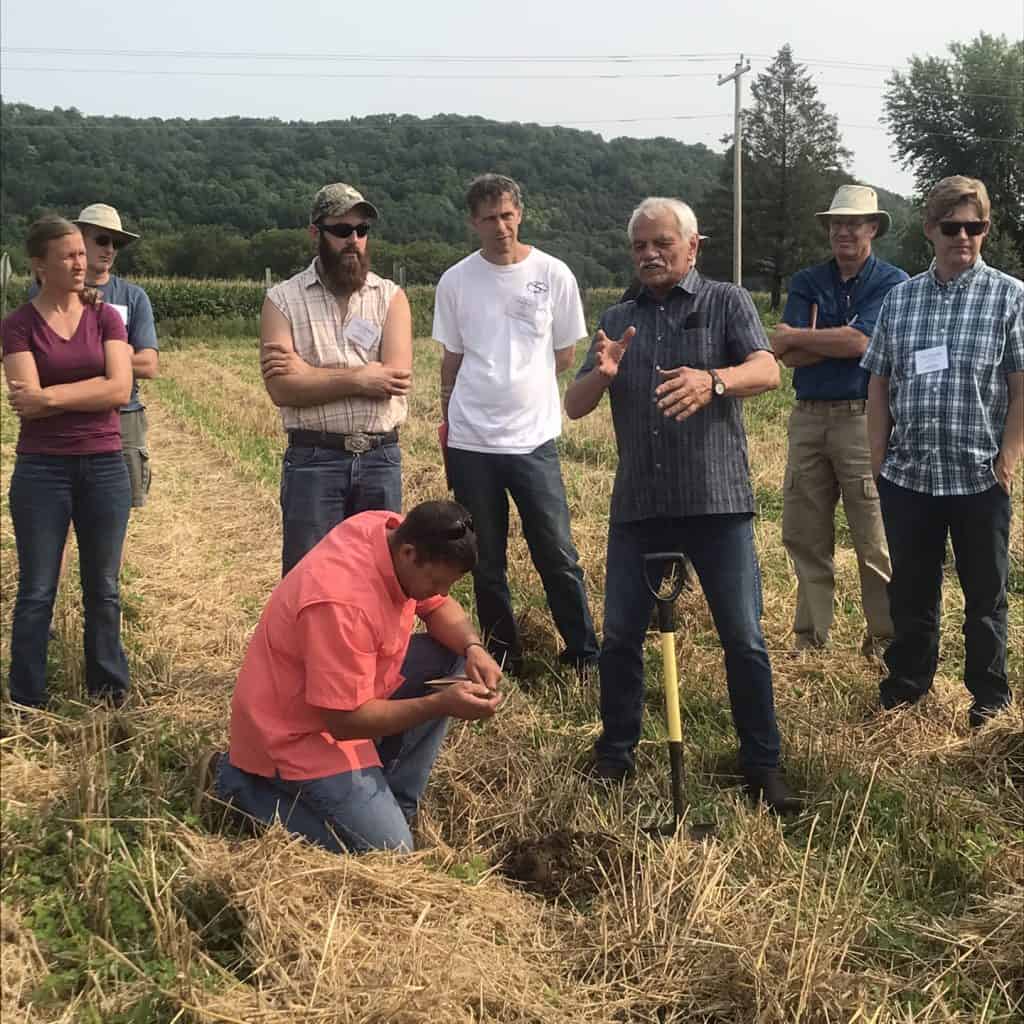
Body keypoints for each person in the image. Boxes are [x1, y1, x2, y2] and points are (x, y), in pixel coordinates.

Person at [564, 196, 799, 813]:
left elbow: (767, 371)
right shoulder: (618, 316)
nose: (649, 254)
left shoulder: (725, 301)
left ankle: (762, 764)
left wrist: (712, 380)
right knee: (618, 638)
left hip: (716, 503)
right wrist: (603, 373)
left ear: (692, 247)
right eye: (640, 245)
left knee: (743, 638)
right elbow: (576, 404)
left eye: (662, 243)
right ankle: (616, 754)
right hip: (640, 506)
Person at [196, 501, 503, 853]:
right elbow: (345, 720)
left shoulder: (385, 530)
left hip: (354, 689)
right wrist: (439, 704)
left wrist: (473, 647)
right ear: (409, 554)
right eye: (436, 582)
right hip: (297, 732)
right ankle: (238, 787)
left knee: (453, 658)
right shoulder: (342, 603)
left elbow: (439, 608)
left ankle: (395, 804)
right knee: (389, 850)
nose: (442, 593)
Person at [861, 176, 1022, 727]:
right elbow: (879, 383)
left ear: (985, 230)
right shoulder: (900, 300)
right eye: (951, 226)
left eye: (974, 226)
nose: (963, 236)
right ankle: (907, 686)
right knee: (911, 593)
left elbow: (1021, 387)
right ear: (931, 229)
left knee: (986, 599)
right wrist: (878, 458)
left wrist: (1008, 457)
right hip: (910, 476)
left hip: (980, 476)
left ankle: (989, 701)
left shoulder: (1010, 296)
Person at [433, 173, 598, 676]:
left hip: (533, 439)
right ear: (473, 223)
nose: (500, 226)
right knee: (484, 557)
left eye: (507, 215)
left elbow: (565, 354)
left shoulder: (554, 274)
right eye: (488, 218)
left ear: (520, 214)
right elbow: (451, 360)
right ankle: (503, 654)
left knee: (557, 551)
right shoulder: (456, 280)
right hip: (472, 440)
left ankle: (584, 652)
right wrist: (445, 417)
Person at [769, 185, 908, 653]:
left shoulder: (892, 283)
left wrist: (805, 337)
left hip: (862, 417)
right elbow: (785, 355)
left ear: (873, 228)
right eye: (836, 223)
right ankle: (811, 640)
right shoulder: (808, 280)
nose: (844, 231)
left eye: (854, 223)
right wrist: (818, 341)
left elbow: (862, 345)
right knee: (805, 532)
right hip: (807, 417)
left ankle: (885, 640)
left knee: (873, 535)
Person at [1, 216, 133, 708]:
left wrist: (52, 399)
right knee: (36, 589)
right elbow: (22, 395)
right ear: (40, 266)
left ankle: (108, 691)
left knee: (104, 586)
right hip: (41, 471)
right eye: (69, 255)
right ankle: (26, 697)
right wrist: (87, 392)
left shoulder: (106, 318)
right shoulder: (16, 325)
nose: (82, 262)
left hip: (103, 464)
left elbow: (119, 388)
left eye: (82, 253)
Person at [260, 183, 413, 576]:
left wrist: (310, 374)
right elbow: (282, 389)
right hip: (314, 460)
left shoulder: (390, 297)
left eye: (362, 231)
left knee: (381, 581)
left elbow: (394, 380)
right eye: (342, 231)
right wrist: (361, 378)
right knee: (308, 581)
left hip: (381, 459)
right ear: (316, 233)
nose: (355, 241)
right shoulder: (282, 300)